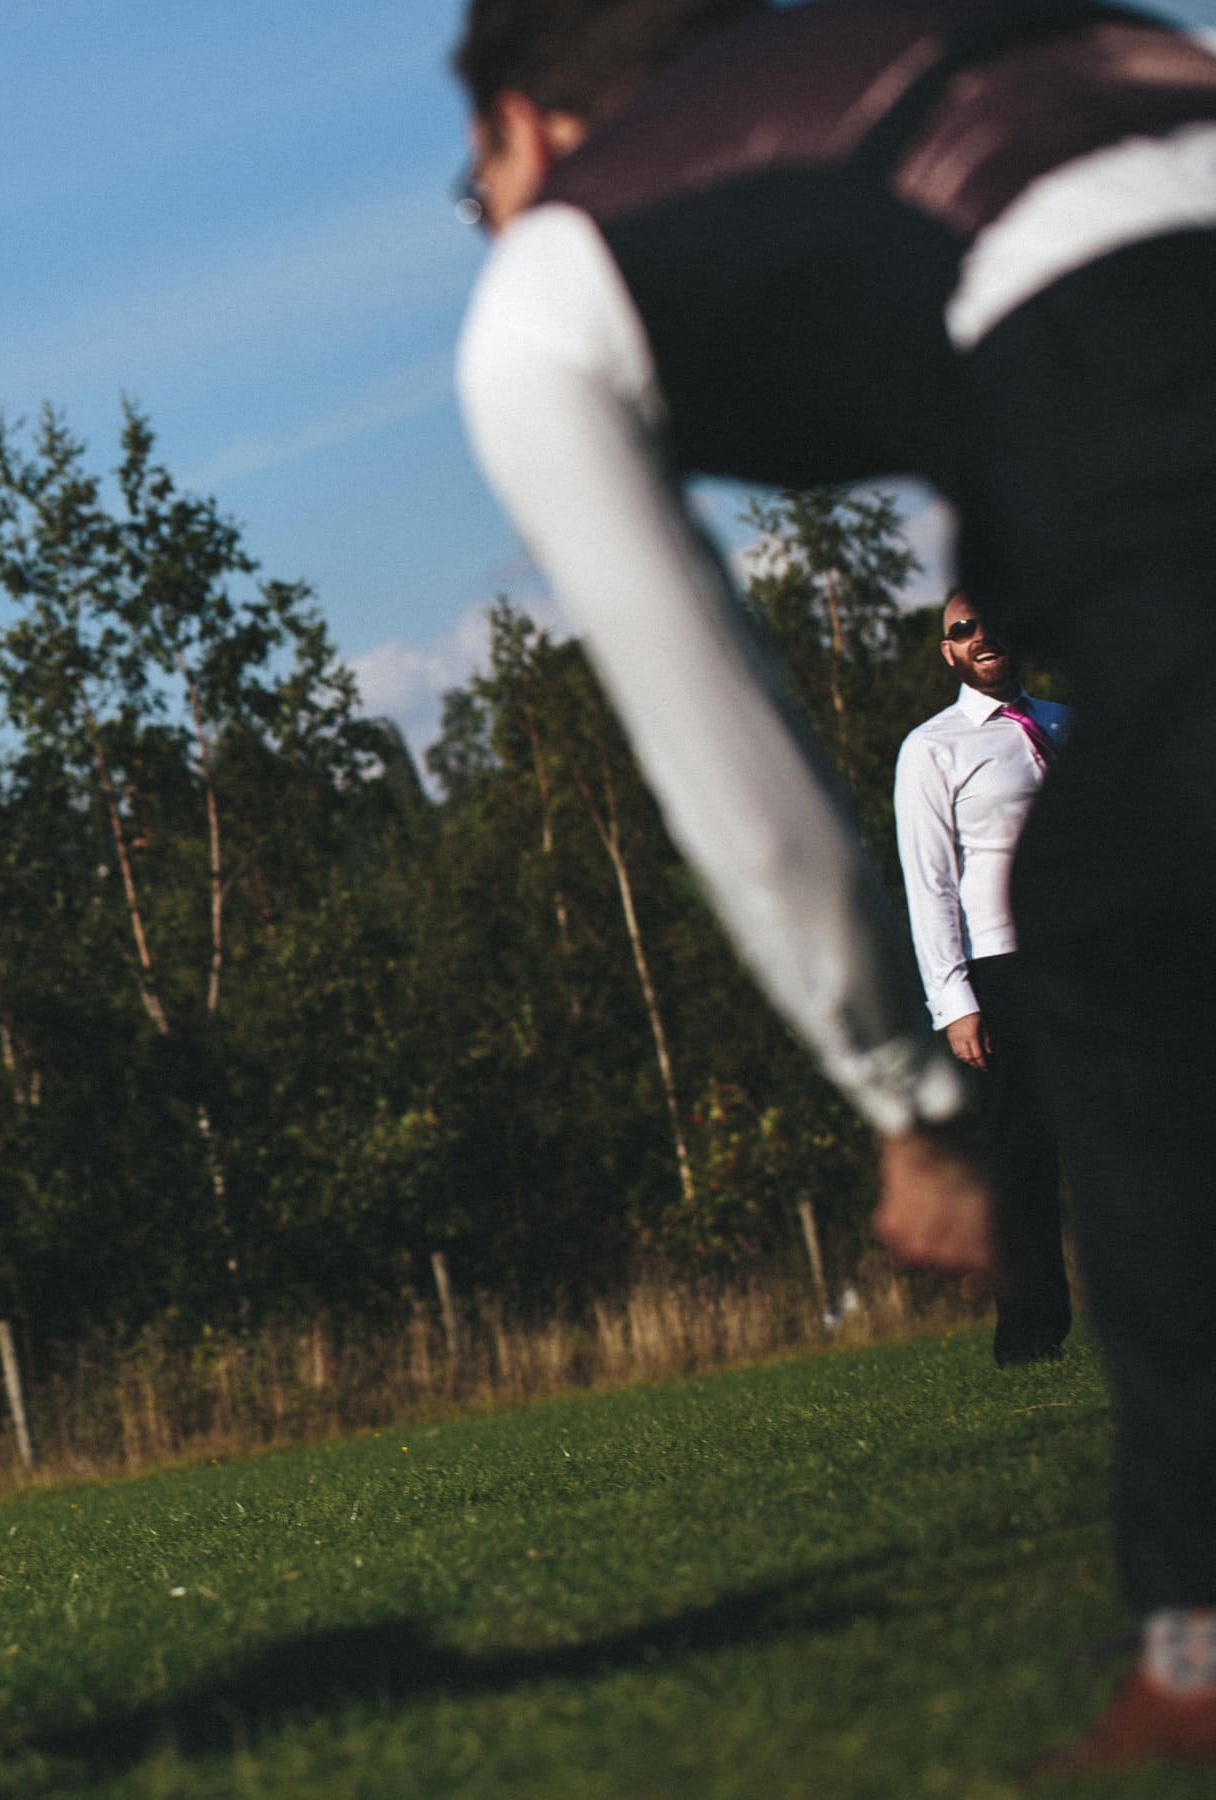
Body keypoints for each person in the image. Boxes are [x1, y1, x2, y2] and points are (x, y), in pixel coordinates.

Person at [447, 0, 1215, 1774]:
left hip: (1134, 357)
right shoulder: (915, 63)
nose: (482, 222)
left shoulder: (553, 278)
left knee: (1117, 945)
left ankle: (1198, 1653)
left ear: (531, 129)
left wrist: (904, 1102)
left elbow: (721, 730)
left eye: (470, 177)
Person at [892, 591, 1075, 1366]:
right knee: (1023, 1157)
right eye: (960, 631)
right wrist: (955, 1002)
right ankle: (1031, 1336)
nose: (979, 637)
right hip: (1002, 968)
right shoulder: (933, 748)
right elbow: (927, 881)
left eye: (990, 622)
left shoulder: (1069, 722)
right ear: (948, 653)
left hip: (1093, 957)